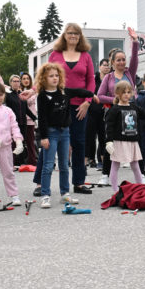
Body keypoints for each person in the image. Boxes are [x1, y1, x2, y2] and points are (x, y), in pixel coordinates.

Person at [34, 63, 96, 208]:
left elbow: (79, 91)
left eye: (57, 75)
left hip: (65, 133)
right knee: (48, 165)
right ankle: (45, 195)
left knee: (64, 165)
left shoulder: (64, 92)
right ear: (44, 78)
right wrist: (43, 137)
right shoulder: (42, 96)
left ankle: (65, 194)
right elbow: (42, 118)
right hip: (51, 133)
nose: (55, 78)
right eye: (51, 76)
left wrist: (91, 94)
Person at [49, 23, 95, 194]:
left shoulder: (86, 56)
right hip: (58, 106)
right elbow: (46, 77)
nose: (73, 35)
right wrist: (32, 91)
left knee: (79, 143)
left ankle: (79, 182)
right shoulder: (55, 54)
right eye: (70, 33)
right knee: (51, 142)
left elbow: (91, 81)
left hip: (80, 107)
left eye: (76, 33)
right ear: (64, 35)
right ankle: (40, 183)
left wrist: (87, 102)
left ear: (80, 36)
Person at [96, 29, 140, 186]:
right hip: (114, 113)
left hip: (130, 113)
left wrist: (135, 41)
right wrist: (115, 100)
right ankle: (105, 174)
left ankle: (140, 175)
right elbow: (99, 96)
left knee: (135, 143)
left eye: (123, 59)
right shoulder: (108, 77)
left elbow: (135, 58)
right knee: (110, 143)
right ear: (113, 62)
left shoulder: (130, 74)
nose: (122, 62)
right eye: (118, 60)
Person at [105, 80, 145, 190]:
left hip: (133, 142)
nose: (126, 95)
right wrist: (109, 141)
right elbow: (109, 126)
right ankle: (115, 190)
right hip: (119, 142)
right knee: (115, 165)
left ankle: (140, 189)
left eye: (128, 92)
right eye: (124, 92)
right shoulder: (114, 109)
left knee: (135, 166)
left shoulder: (134, 107)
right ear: (117, 94)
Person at [86, 58, 111, 169]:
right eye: (104, 65)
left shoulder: (110, 79)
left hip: (104, 112)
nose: (106, 67)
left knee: (103, 137)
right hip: (92, 111)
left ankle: (103, 161)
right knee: (90, 137)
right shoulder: (93, 79)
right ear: (100, 67)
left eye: (108, 65)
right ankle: (91, 159)